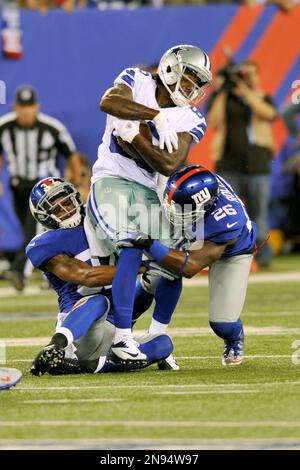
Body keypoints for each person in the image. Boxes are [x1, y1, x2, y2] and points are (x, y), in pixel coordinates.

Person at [86, 44, 212, 364]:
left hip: (149, 191)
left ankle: (157, 332)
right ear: (170, 69)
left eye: (198, 85)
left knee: (172, 264)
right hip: (112, 180)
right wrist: (154, 116)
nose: (192, 90)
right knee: (129, 243)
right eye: (188, 81)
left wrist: (136, 135)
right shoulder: (138, 79)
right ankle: (122, 337)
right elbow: (108, 101)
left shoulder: (190, 116)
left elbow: (169, 164)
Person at [26, 177, 174, 376]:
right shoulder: (46, 243)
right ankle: (56, 345)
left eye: (67, 202)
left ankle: (87, 366)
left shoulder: (102, 220)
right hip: (79, 330)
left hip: (115, 326)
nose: (67, 210)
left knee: (164, 343)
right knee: (99, 300)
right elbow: (87, 276)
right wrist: (142, 267)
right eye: (58, 208)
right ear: (45, 217)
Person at [116, 165, 257, 366]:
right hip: (195, 228)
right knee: (155, 277)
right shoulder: (186, 187)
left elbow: (190, 266)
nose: (172, 209)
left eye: (180, 208)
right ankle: (121, 328)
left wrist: (147, 242)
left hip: (230, 253)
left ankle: (234, 337)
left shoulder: (226, 222)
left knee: (222, 323)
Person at [0, 85, 83, 291]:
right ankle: (51, 273)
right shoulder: (4, 127)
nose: (26, 111)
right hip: (18, 186)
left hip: (44, 192)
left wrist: (76, 178)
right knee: (32, 230)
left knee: (34, 232)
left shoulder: (51, 127)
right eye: (22, 106)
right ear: (15, 107)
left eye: (29, 106)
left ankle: (19, 271)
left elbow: (71, 153)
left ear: (36, 107)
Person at [207, 60, 276, 267]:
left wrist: (245, 89)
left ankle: (262, 258)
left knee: (259, 212)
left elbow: (268, 113)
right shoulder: (223, 99)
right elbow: (214, 121)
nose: (246, 78)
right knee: (229, 211)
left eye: (251, 74)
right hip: (228, 164)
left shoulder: (263, 97)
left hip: (258, 164)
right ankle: (230, 255)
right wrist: (223, 91)